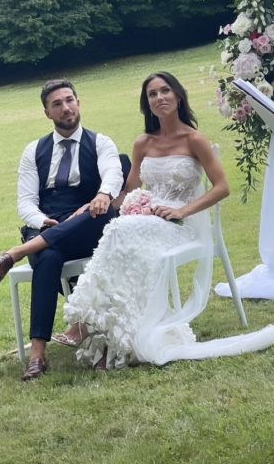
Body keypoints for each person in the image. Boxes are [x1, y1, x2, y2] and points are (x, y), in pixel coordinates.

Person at [58, 71, 230, 369]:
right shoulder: (143, 143)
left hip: (181, 226)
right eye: (152, 94)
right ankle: (113, 341)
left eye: (165, 91)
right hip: (147, 222)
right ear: (147, 104)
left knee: (120, 230)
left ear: (178, 96)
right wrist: (95, 204)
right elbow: (128, 192)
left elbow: (222, 187)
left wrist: (183, 211)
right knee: (124, 241)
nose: (160, 97)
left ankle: (87, 322)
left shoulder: (194, 140)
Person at [0, 79, 124, 380]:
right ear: (47, 113)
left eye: (70, 100)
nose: (66, 107)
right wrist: (39, 221)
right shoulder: (34, 150)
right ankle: (37, 354)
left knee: (95, 213)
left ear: (78, 102)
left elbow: (113, 171)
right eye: (57, 104)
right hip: (49, 225)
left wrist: (103, 195)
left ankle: (16, 253)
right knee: (47, 257)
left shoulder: (100, 142)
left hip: (88, 222)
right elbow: (25, 202)